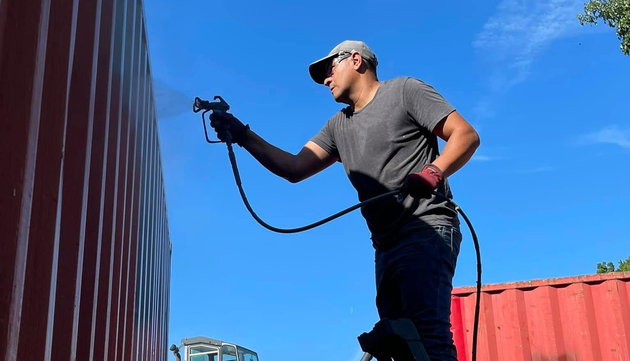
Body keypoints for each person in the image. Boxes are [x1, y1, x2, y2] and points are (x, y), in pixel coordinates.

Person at [209, 40, 480, 361]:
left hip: (427, 230)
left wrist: (433, 172)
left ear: (356, 60)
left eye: (330, 68)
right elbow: (294, 168)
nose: (326, 79)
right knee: (399, 346)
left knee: (426, 334)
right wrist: (241, 135)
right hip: (386, 246)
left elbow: (465, 134)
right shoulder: (339, 125)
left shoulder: (405, 91)